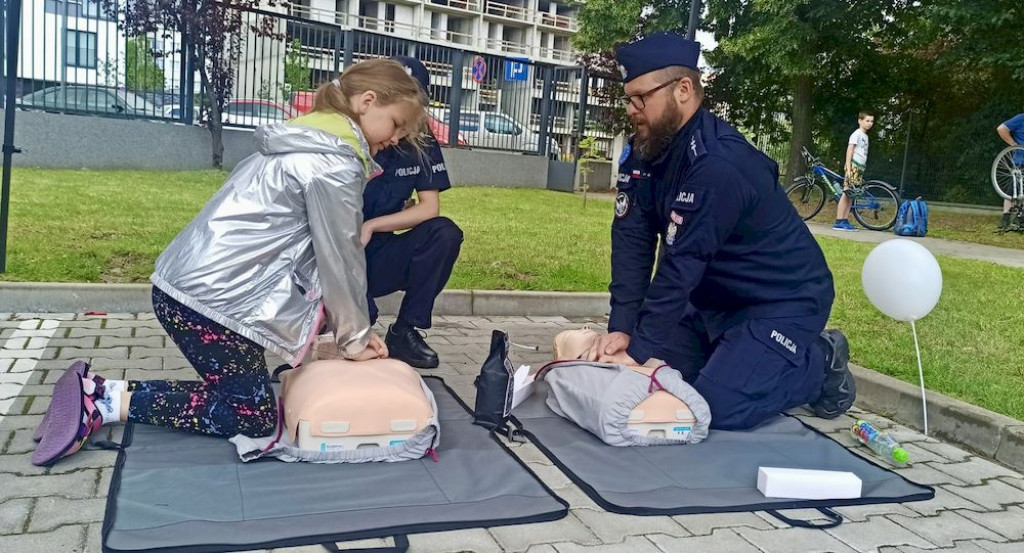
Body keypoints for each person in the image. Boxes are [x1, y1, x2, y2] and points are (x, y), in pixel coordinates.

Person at [34, 59, 428, 465]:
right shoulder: (332, 162)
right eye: (397, 123)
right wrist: (354, 339)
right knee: (254, 419)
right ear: (367, 101)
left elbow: (301, 254)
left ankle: (98, 390)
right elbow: (341, 258)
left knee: (241, 394)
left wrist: (330, 332)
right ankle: (101, 403)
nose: (396, 138)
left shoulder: (306, 142)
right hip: (209, 304)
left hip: (194, 292)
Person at [598, 32, 854, 431]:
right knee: (669, 382)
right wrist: (623, 327)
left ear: (683, 89)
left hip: (780, 301)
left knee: (717, 406)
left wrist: (641, 346)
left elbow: (683, 261)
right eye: (628, 99)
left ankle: (820, 361)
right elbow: (631, 240)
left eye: (641, 98)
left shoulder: (717, 163)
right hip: (713, 301)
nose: (632, 109)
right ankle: (734, 356)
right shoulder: (647, 151)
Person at [361, 56, 464, 369]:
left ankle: (405, 330)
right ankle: (317, 335)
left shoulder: (420, 137)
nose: (398, 131)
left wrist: (373, 226)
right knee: (357, 323)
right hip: (333, 258)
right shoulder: (350, 136)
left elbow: (430, 208)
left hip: (377, 253)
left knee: (445, 233)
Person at [834, 111, 875, 232]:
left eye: (871, 121)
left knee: (852, 194)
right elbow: (850, 150)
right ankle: (839, 220)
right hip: (853, 166)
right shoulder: (856, 134)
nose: (869, 124)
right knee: (846, 193)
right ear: (860, 121)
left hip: (860, 167)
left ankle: (845, 219)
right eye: (867, 121)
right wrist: (848, 167)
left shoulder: (865, 136)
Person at [996, 113, 1024, 229]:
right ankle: (1007, 216)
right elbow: (1001, 129)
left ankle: (1019, 217)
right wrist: (1013, 144)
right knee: (1012, 188)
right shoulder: (1021, 118)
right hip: (1020, 160)